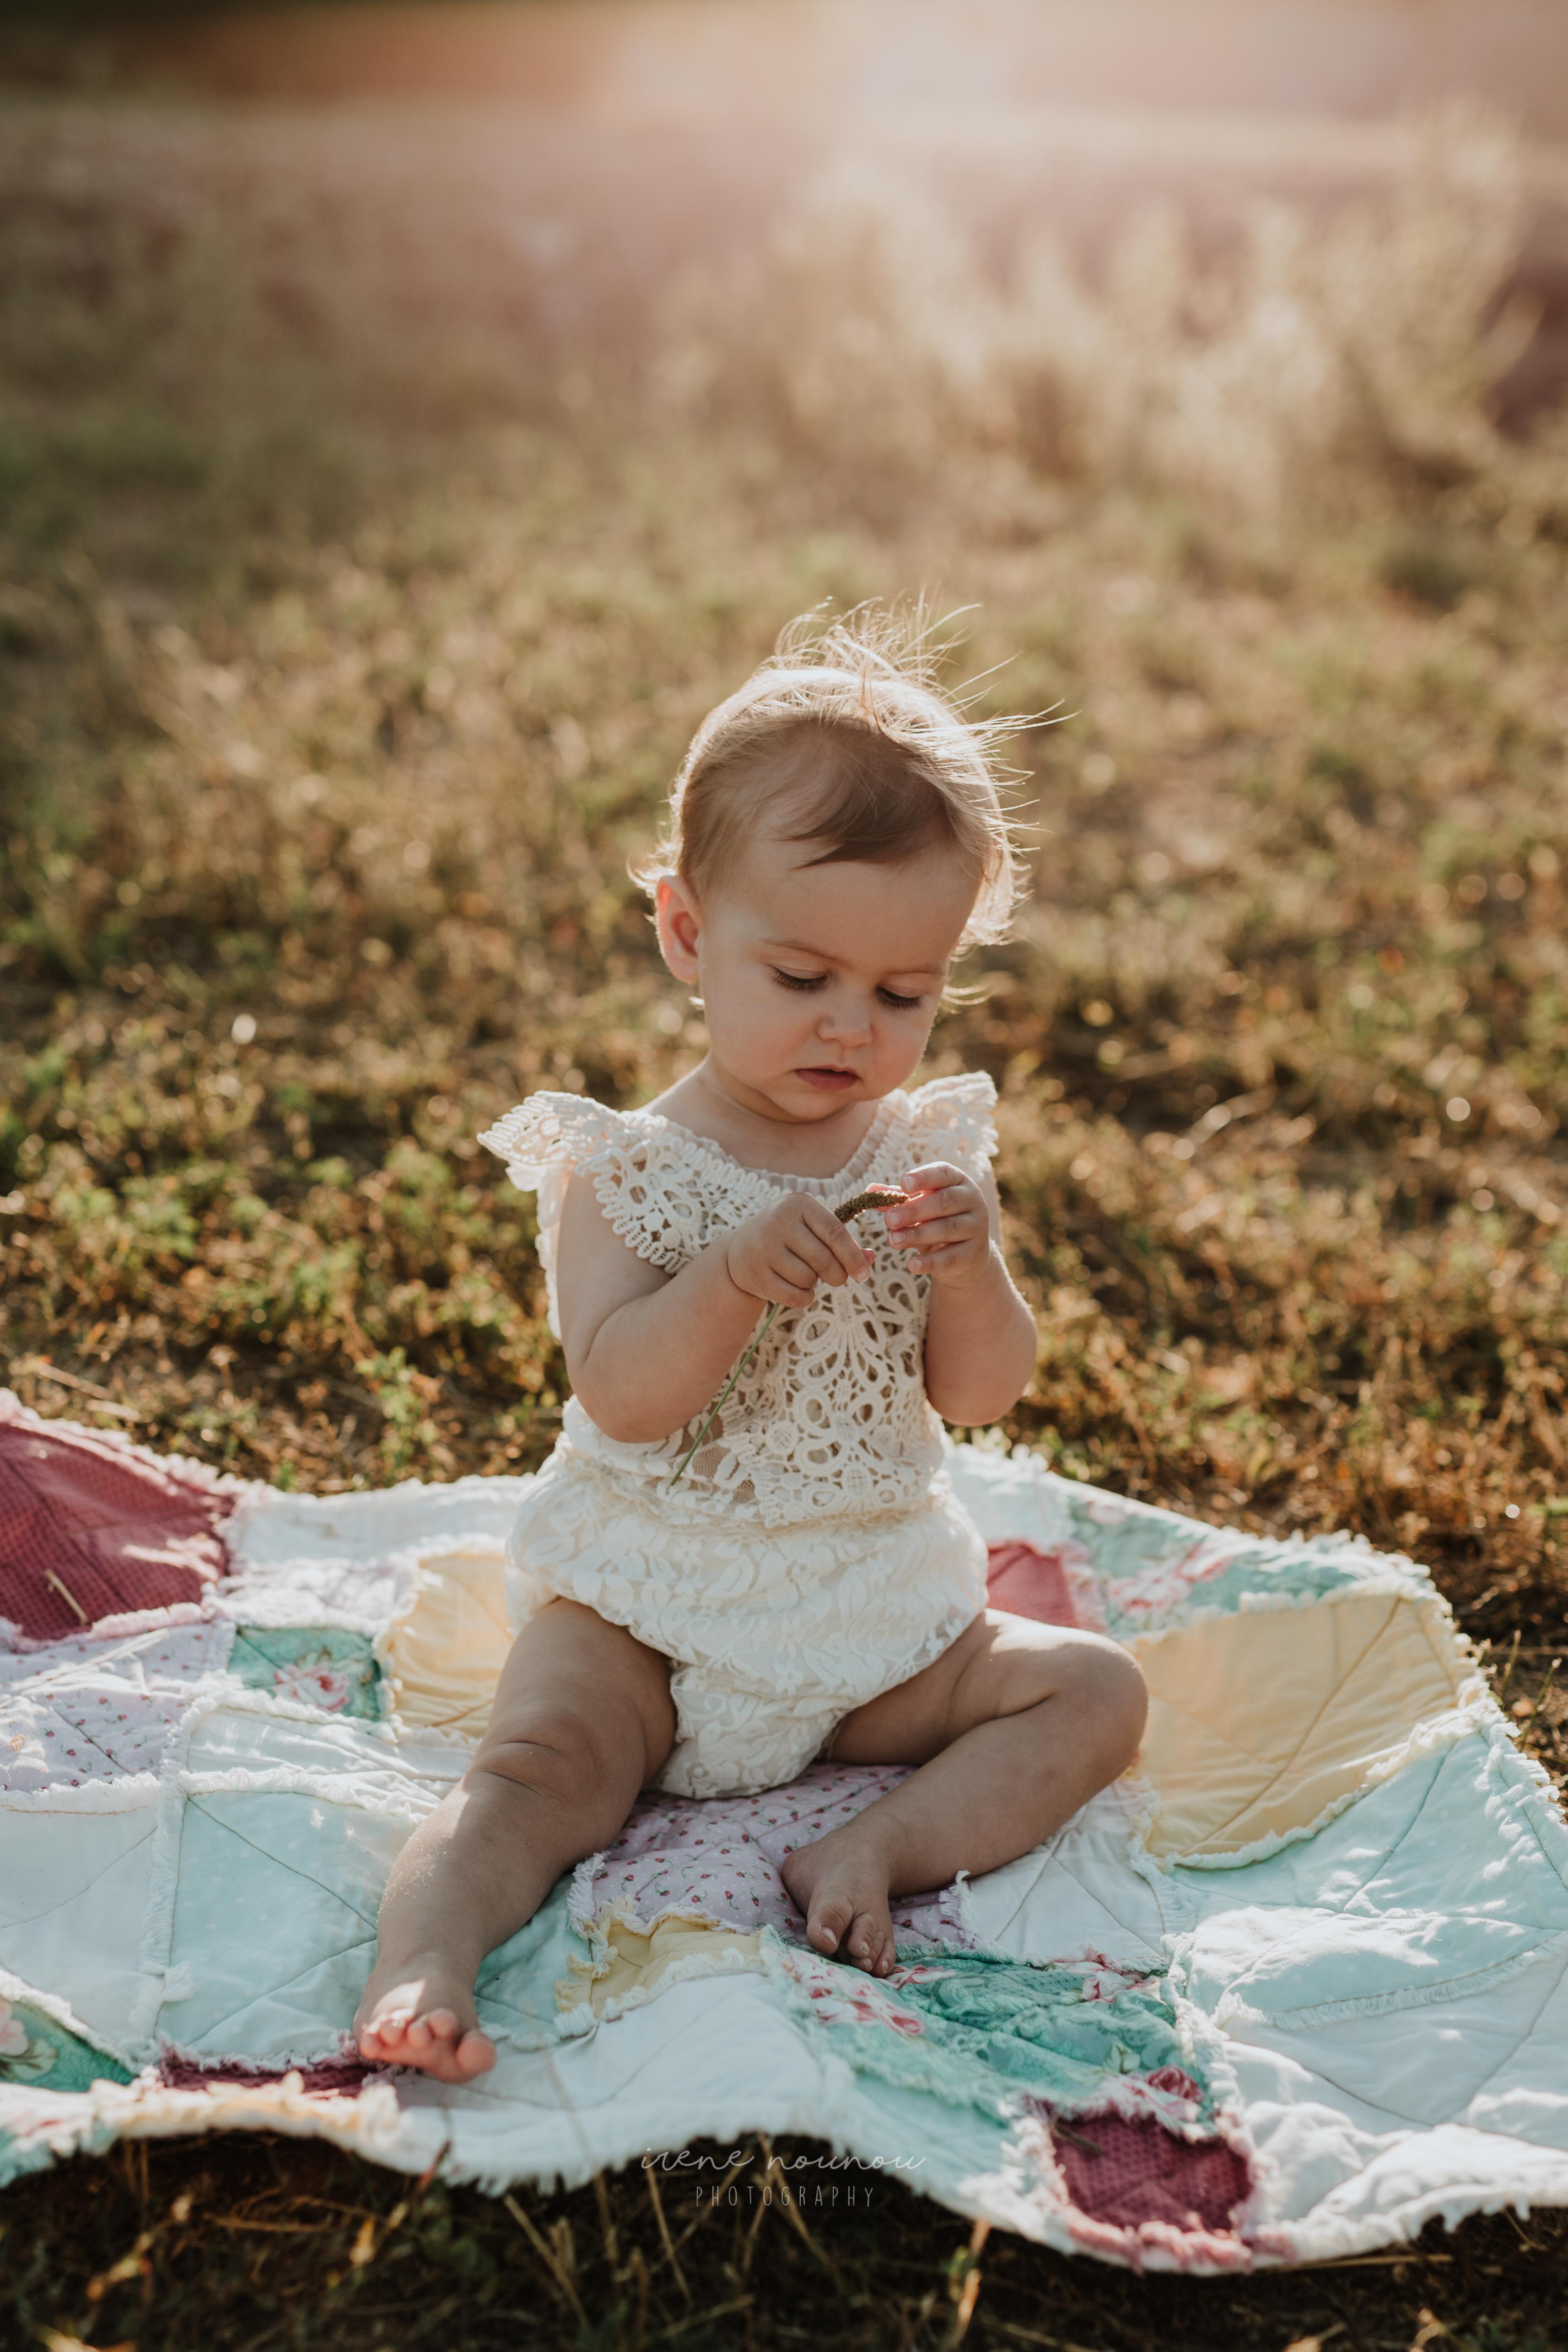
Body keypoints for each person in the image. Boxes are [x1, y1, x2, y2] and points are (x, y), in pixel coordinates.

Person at [354, 607, 1148, 2081]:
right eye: (802, 979)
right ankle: (425, 1965)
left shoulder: (918, 1144)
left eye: (902, 993)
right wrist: (725, 1278)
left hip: (868, 1613)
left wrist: (971, 1268)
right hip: (651, 1604)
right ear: (685, 932)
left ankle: (877, 1845)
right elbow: (625, 1394)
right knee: (530, 1770)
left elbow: (978, 1394)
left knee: (1095, 1691)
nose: (852, 1024)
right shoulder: (631, 1167)